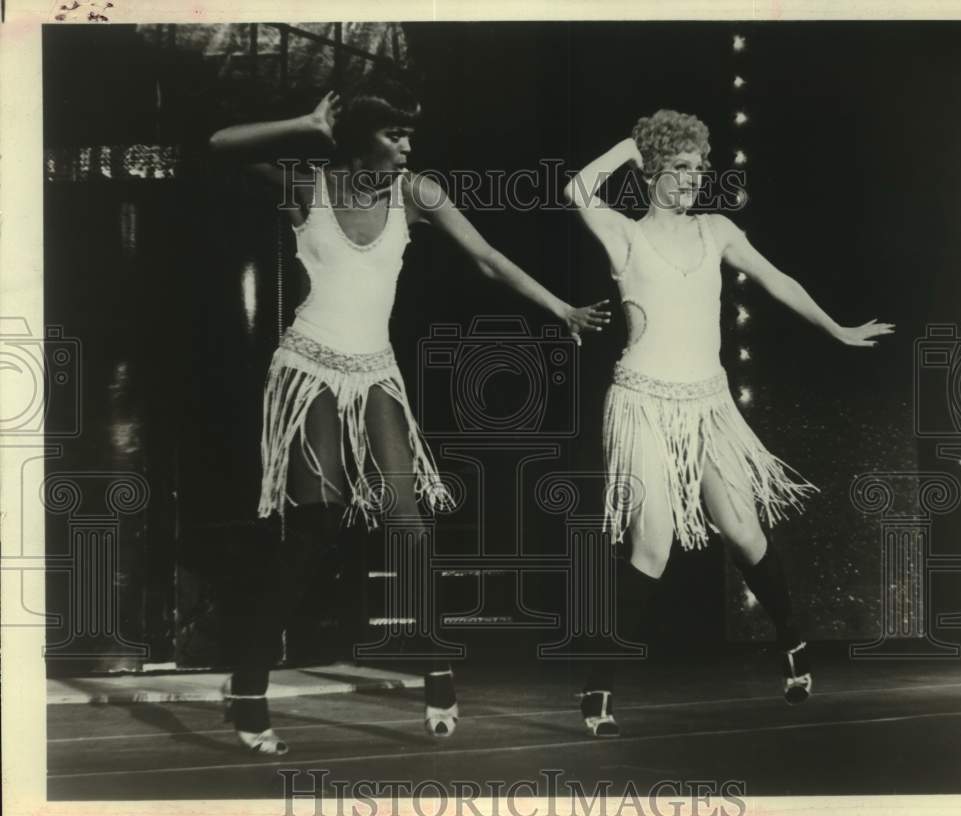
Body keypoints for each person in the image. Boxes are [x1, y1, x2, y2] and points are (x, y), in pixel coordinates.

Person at [209, 73, 611, 754]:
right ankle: (247, 686)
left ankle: (436, 672)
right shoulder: (308, 185)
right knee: (313, 526)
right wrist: (305, 125)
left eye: (409, 134)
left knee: (411, 525)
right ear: (361, 140)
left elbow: (486, 258)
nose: (407, 144)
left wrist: (561, 308)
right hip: (309, 368)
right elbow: (219, 145)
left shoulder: (418, 192)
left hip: (376, 373)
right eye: (395, 134)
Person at [563, 109, 894, 737]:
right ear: (651, 171)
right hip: (642, 403)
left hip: (709, 403)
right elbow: (576, 188)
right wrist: (629, 145)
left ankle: (792, 641)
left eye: (698, 168)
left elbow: (777, 279)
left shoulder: (716, 230)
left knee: (743, 531)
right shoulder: (623, 235)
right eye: (678, 167)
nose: (691, 179)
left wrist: (835, 327)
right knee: (651, 546)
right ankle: (598, 685)